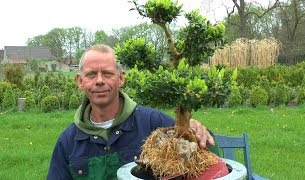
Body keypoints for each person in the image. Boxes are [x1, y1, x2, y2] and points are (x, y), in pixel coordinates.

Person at [47, 44, 217, 179]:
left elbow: (204, 153)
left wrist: (195, 130)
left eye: (107, 73)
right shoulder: (68, 142)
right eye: (91, 74)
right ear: (80, 81)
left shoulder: (152, 122)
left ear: (121, 78)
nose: (99, 81)